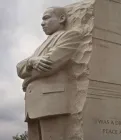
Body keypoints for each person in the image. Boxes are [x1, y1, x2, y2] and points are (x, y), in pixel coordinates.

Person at [16, 7, 83, 140]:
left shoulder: (70, 35)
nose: (42, 23)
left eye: (46, 18)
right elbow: (19, 67)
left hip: (52, 103)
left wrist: (26, 79)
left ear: (62, 19)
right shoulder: (41, 46)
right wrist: (31, 61)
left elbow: (50, 65)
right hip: (33, 106)